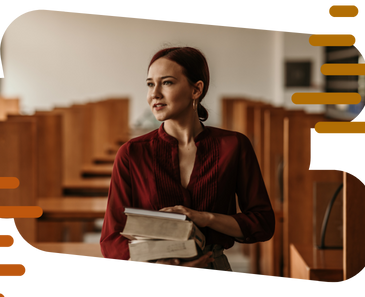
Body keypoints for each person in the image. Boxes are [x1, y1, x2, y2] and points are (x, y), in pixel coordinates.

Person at [100, 46, 275, 274]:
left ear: (196, 89)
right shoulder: (132, 153)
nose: (155, 94)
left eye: (167, 82)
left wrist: (205, 218)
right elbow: (111, 239)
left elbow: (262, 223)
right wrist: (164, 263)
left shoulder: (234, 146)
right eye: (150, 84)